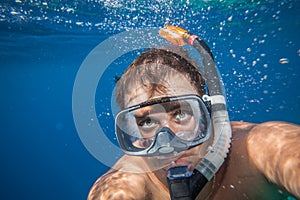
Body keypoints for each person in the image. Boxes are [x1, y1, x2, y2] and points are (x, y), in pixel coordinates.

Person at [88, 26, 300, 200]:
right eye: (147, 122)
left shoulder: (261, 148)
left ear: (208, 115)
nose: (168, 141)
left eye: (180, 114)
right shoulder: (124, 185)